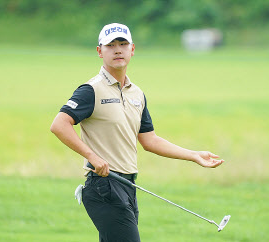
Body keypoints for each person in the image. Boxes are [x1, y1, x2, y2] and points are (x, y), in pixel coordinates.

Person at [50, 23, 224, 242]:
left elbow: (149, 140)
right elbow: (59, 124)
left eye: (123, 44)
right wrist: (92, 156)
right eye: (110, 45)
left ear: (132, 49)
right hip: (103, 184)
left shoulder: (137, 94)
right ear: (99, 51)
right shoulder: (91, 90)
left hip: (128, 184)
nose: (117, 50)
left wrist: (193, 155)